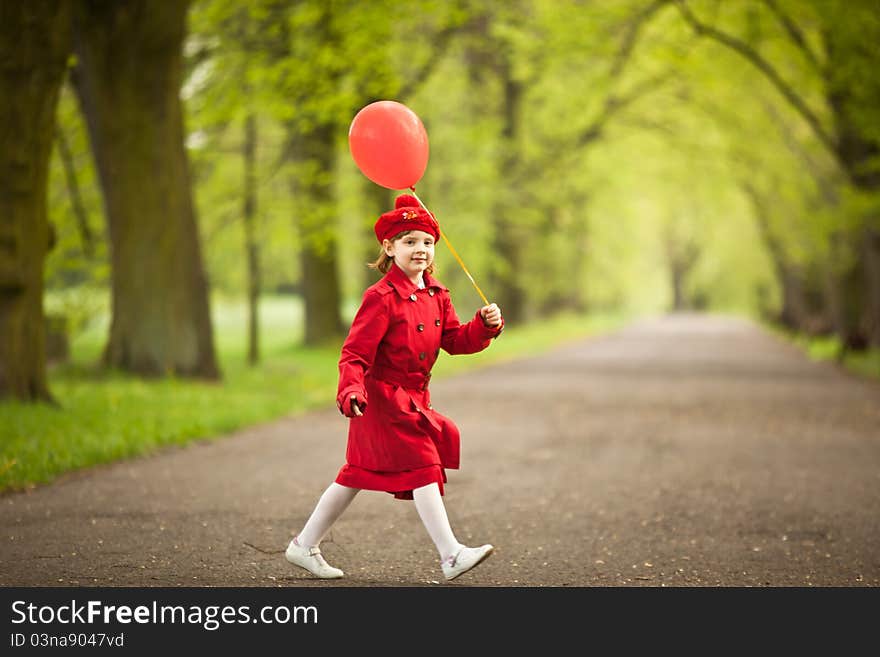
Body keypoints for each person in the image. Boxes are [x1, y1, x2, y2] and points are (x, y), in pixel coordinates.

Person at [285, 194, 504, 582]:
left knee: (354, 475)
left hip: (414, 398)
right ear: (389, 248)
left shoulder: (438, 295)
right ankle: (451, 554)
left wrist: (484, 326)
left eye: (426, 242)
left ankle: (303, 545)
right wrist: (350, 390)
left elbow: (454, 340)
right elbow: (354, 353)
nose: (419, 249)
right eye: (409, 241)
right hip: (381, 399)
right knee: (424, 464)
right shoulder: (380, 298)